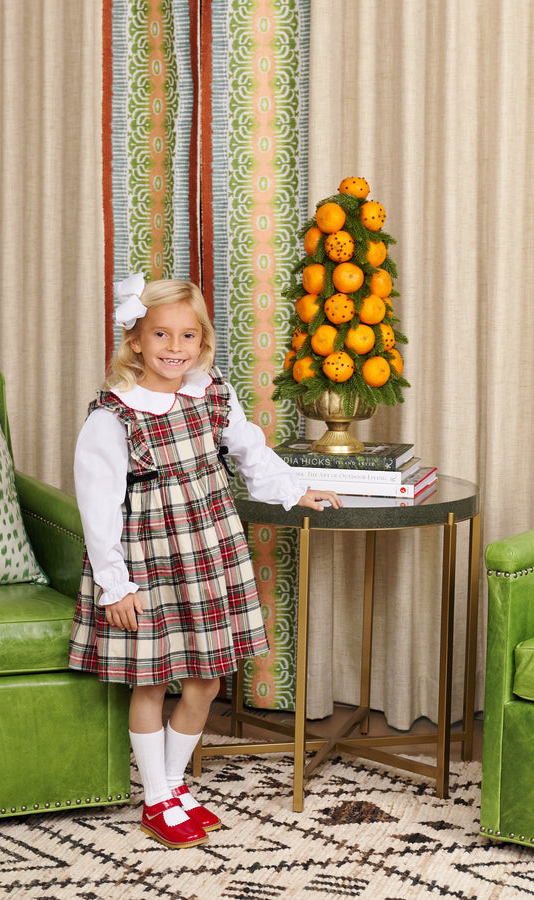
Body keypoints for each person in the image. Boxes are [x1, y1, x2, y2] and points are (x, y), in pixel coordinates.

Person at [69, 273, 342, 849]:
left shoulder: (212, 393)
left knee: (206, 679)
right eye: (160, 334)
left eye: (187, 336)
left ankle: (173, 785)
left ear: (202, 341)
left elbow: (250, 453)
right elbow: (97, 507)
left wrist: (295, 491)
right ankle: (156, 798)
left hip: (210, 552)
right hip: (147, 563)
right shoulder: (113, 415)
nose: (175, 347)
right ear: (135, 339)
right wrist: (115, 585)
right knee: (150, 682)